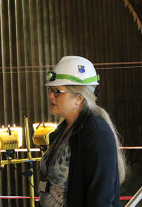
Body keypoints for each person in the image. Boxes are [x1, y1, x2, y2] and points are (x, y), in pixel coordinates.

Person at [39, 56, 127, 207]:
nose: (51, 95)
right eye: (51, 90)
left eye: (57, 91)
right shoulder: (64, 130)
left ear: (79, 98)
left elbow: (100, 198)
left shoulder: (97, 134)